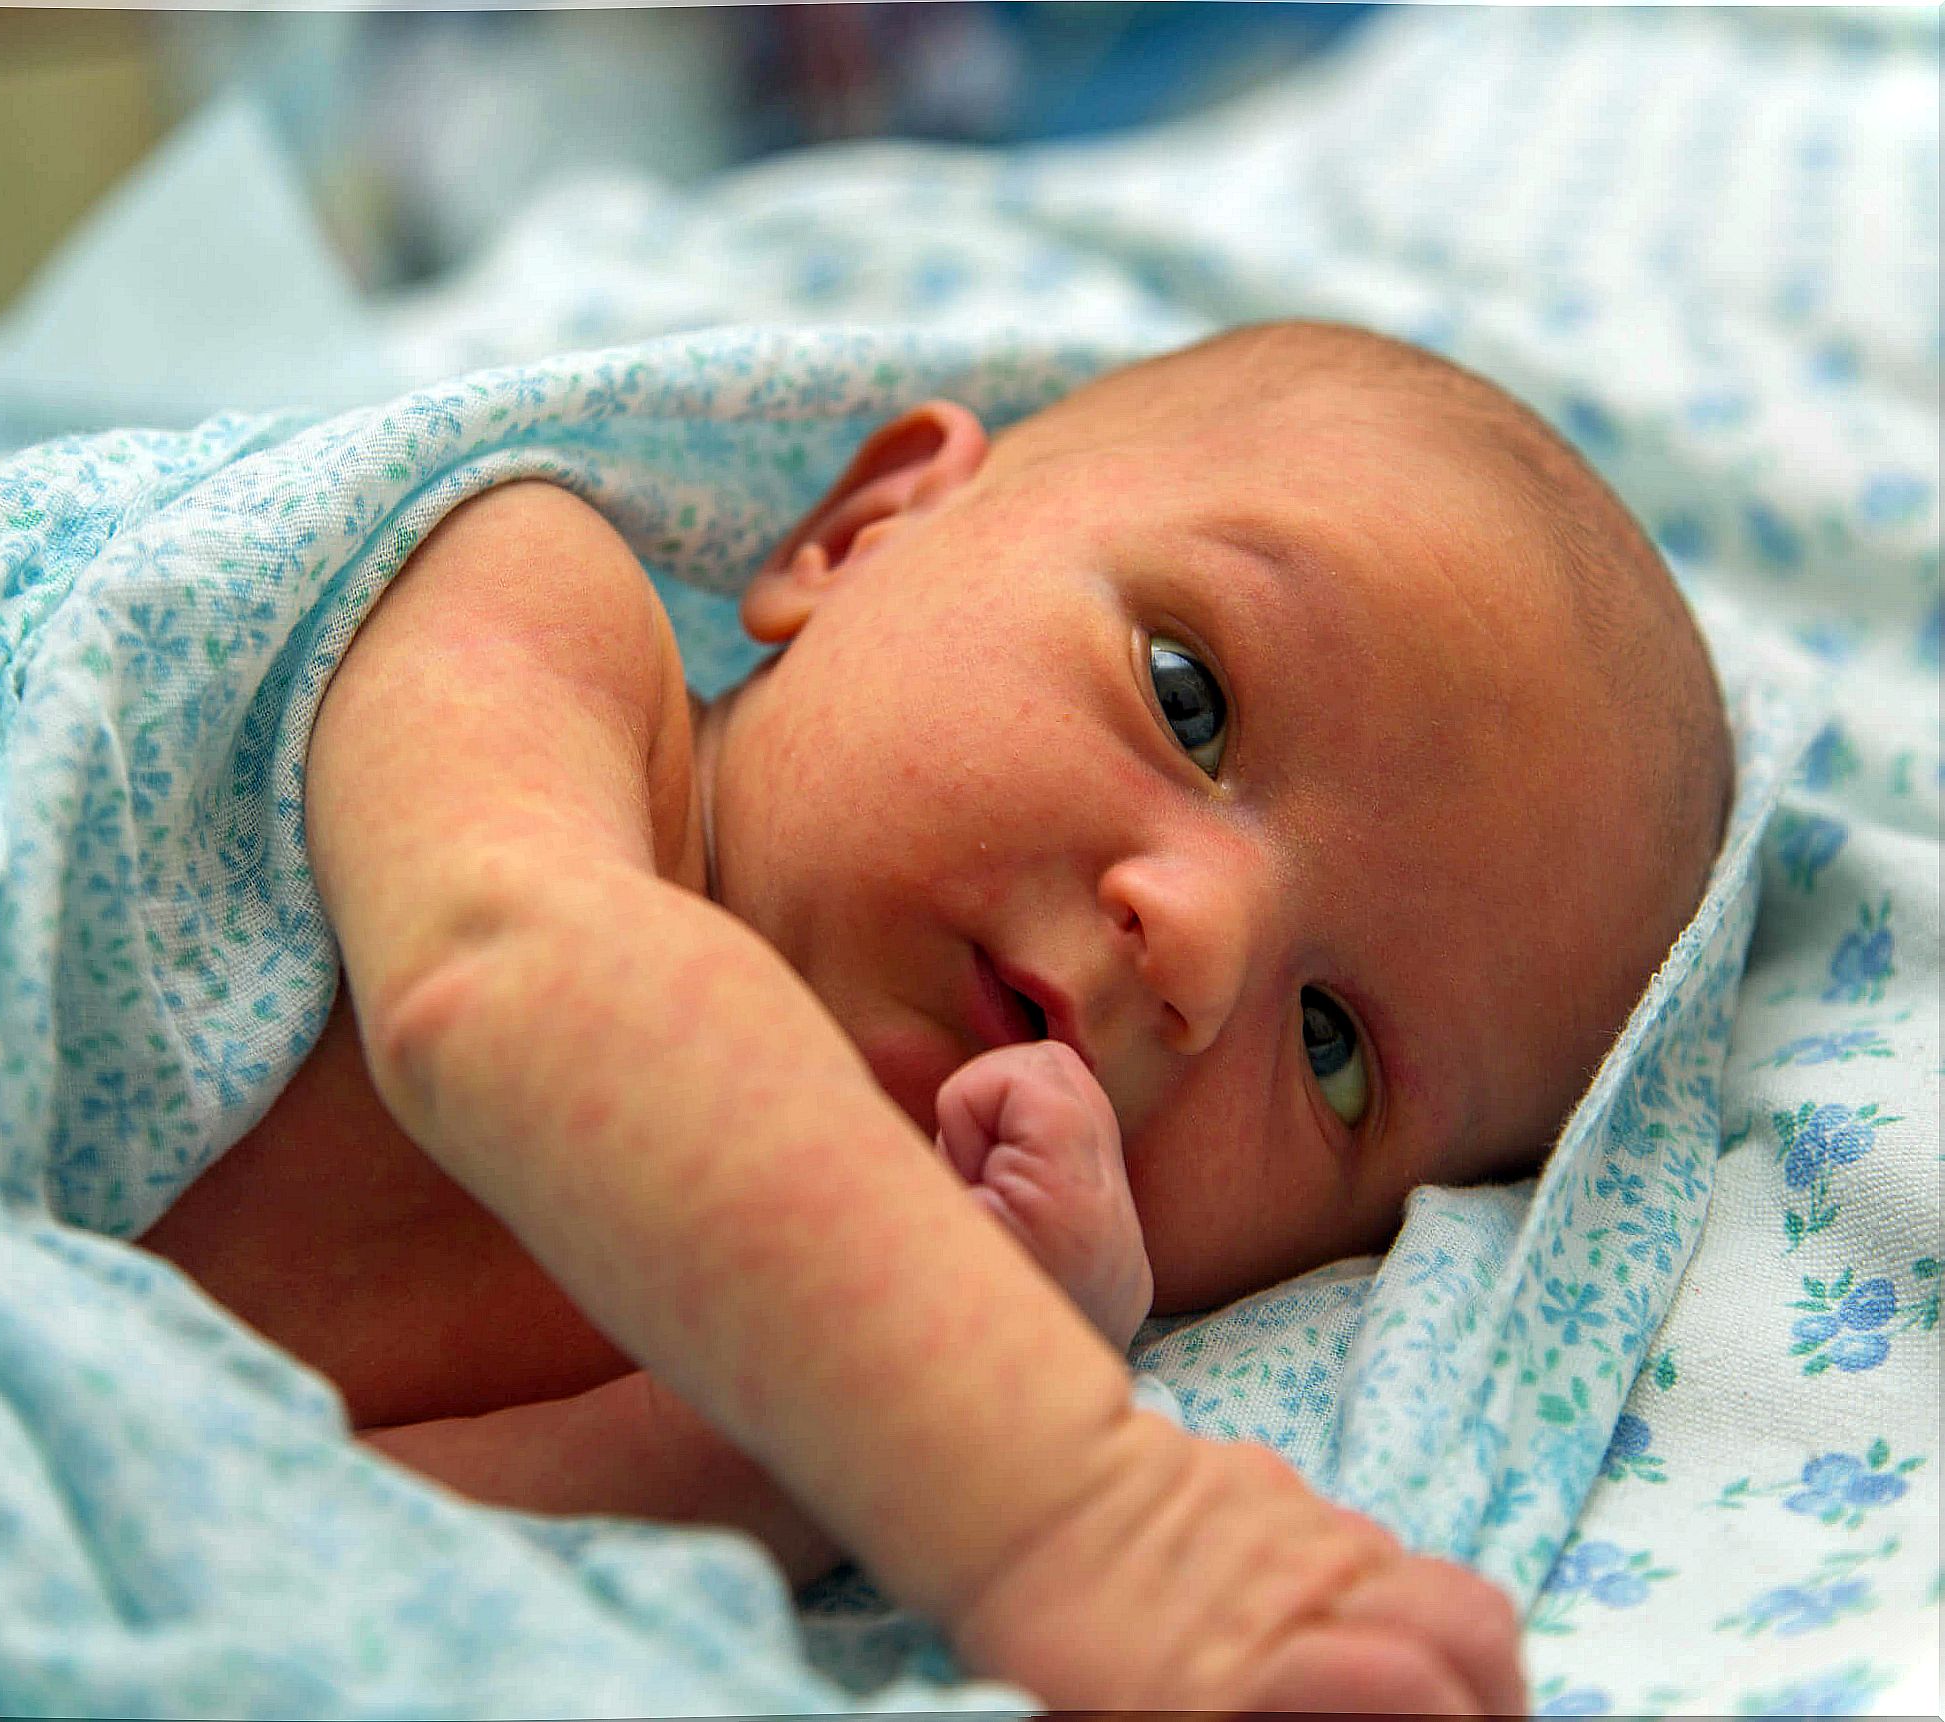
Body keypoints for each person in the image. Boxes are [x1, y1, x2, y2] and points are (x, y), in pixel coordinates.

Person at [139, 318, 1733, 1712]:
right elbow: (503, 971)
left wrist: (769, 1452)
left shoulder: (729, 1358)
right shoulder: (531, 617)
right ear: (868, 526)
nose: (1200, 947)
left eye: (1331, 1050)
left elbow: (237, 1528)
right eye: (1189, 700)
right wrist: (1070, 1502)